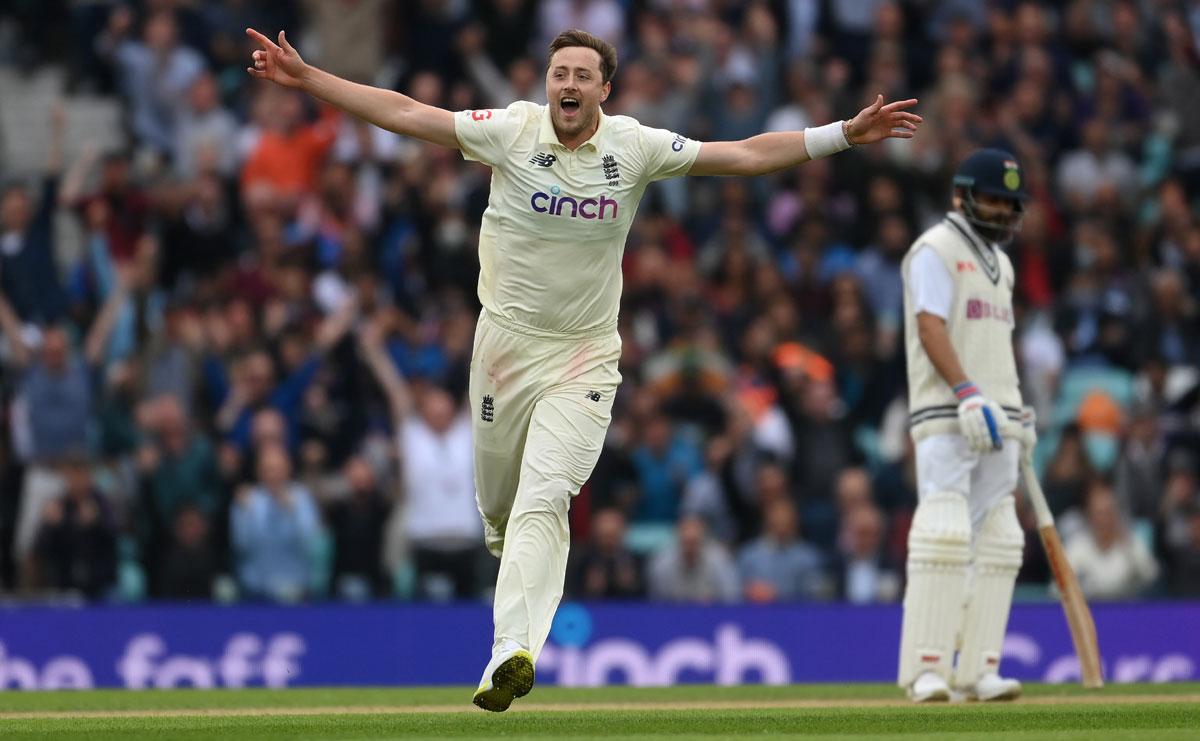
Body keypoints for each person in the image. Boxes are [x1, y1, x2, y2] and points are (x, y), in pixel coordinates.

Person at [247, 24, 921, 711]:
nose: (567, 84)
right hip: (504, 350)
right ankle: (514, 605)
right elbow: (408, 113)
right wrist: (311, 80)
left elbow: (744, 153)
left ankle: (511, 650)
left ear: (605, 88)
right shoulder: (511, 131)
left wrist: (841, 133)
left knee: (547, 495)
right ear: (547, 83)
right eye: (558, 72)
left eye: (581, 75)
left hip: (584, 355)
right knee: (504, 513)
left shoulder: (633, 146)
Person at [896, 149, 1033, 703]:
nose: (1001, 211)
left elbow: (996, 346)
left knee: (999, 540)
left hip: (1000, 418)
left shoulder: (1005, 267)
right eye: (992, 199)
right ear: (962, 195)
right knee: (945, 533)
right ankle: (926, 670)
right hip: (950, 415)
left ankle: (977, 669)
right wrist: (967, 393)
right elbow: (930, 328)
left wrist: (1018, 411)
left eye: (1010, 203)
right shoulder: (936, 250)